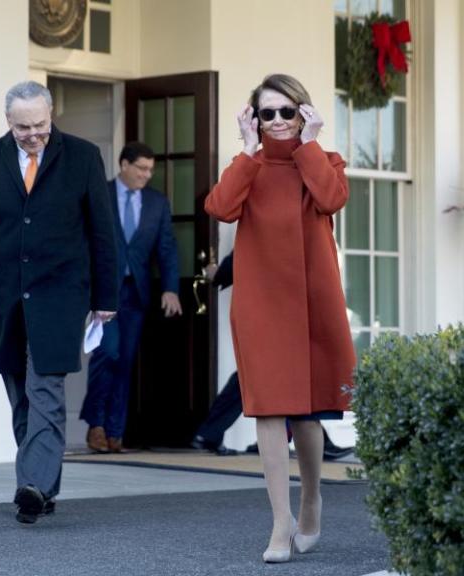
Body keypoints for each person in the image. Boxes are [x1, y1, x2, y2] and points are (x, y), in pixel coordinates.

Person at [0, 81, 118, 524]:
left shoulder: (82, 157)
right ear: (8, 123)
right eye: (22, 127)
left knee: (46, 389)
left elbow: (102, 230)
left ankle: (33, 484)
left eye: (39, 125)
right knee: (19, 393)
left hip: (61, 294)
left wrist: (106, 296)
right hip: (5, 296)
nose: (32, 134)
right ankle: (41, 485)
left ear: (51, 116)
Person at [204, 74, 356, 563]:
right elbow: (220, 207)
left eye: (286, 112)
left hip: (313, 300)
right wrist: (248, 151)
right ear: (254, 118)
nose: (276, 122)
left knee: (308, 411)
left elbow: (331, 199)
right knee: (268, 408)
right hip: (262, 301)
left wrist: (309, 145)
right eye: (266, 113)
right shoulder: (246, 166)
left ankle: (310, 499)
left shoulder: (324, 161)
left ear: (304, 113)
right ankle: (279, 520)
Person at [191, 252, 355, 461]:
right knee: (269, 375)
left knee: (268, 376)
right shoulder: (269, 221)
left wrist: (220, 273)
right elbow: (249, 250)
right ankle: (212, 434)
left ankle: (212, 434)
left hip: (276, 307)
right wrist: (220, 273)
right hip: (271, 309)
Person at [81, 142, 182, 453]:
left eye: (150, 170)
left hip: (136, 292)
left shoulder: (157, 203)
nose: (146, 175)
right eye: (141, 168)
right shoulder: (101, 194)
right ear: (124, 164)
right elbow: (85, 239)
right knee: (107, 353)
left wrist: (171, 288)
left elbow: (167, 249)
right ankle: (95, 424)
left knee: (124, 362)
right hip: (104, 291)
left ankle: (115, 432)